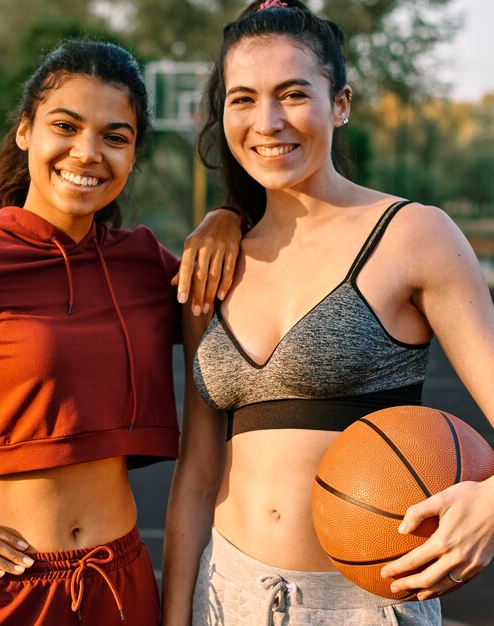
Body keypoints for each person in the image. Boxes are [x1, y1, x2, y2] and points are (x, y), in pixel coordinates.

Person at [0, 39, 243, 625]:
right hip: (0, 592)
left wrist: (229, 216)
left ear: (133, 152)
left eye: (115, 137)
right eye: (65, 126)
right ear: (25, 132)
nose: (88, 152)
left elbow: (252, 312)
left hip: (120, 583)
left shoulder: (145, 263)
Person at [162, 2, 494, 625]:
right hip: (226, 594)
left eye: (292, 94)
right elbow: (199, 469)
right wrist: (175, 616)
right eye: (243, 99)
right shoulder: (212, 264)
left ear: (340, 103)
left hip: (365, 605)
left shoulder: (412, 234)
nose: (268, 121)